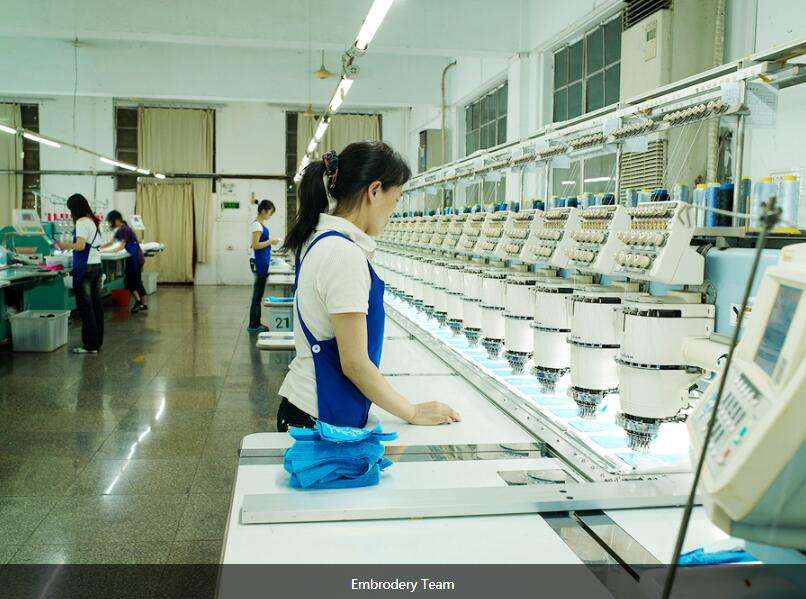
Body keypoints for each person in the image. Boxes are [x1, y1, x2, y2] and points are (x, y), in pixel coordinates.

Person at [276, 142, 461, 431]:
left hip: (311, 406)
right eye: (396, 199)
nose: (394, 211)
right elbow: (354, 363)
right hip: (317, 414)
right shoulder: (343, 254)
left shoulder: (322, 241)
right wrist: (412, 411)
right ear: (374, 191)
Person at [56, 194, 104, 354]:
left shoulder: (82, 222)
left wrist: (64, 245)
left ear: (74, 209)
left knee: (85, 307)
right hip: (96, 266)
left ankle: (90, 345)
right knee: (96, 306)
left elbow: (81, 246)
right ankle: (97, 341)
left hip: (85, 268)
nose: (70, 213)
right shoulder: (92, 221)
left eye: (70, 209)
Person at [101, 210, 148, 313]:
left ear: (117, 220)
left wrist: (108, 251)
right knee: (129, 282)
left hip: (136, 259)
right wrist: (100, 248)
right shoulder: (121, 229)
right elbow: (111, 242)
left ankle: (142, 303)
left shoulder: (125, 229)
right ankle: (140, 302)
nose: (111, 224)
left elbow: (121, 246)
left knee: (135, 282)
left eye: (111, 221)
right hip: (133, 258)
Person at [247, 199, 281, 332]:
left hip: (261, 262)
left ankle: (256, 323)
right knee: (257, 295)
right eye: (270, 213)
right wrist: (270, 241)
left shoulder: (260, 225)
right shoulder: (257, 225)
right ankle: (254, 325)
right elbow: (255, 245)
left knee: (258, 294)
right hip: (259, 262)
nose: (270, 216)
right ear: (263, 211)